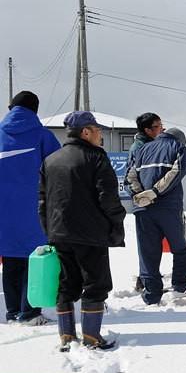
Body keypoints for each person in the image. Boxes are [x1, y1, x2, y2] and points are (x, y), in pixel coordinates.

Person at [39, 111, 125, 350]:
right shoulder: (96, 158)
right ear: (85, 132)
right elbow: (108, 198)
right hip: (91, 234)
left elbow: (43, 201)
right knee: (96, 284)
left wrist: (49, 231)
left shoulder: (51, 160)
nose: (101, 135)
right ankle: (91, 336)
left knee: (67, 283)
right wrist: (116, 224)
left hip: (59, 233)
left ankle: (66, 336)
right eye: (97, 130)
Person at [0, 91, 61, 325]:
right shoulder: (42, 136)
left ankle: (13, 311)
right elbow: (57, 169)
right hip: (35, 209)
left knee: (10, 259)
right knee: (33, 259)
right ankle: (30, 312)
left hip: (3, 212)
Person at [126, 127, 186, 305]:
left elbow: (130, 174)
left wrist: (139, 194)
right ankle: (180, 285)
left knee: (147, 252)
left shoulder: (142, 149)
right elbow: (177, 172)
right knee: (181, 247)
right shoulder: (178, 148)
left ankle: (151, 294)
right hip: (168, 207)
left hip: (143, 208)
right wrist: (155, 192)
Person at [126, 112, 163, 292]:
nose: (161, 129)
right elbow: (131, 177)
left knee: (154, 245)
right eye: (157, 126)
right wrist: (143, 198)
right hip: (145, 203)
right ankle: (146, 281)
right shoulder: (139, 147)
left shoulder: (152, 144)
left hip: (154, 202)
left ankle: (148, 278)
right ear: (147, 130)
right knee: (148, 245)